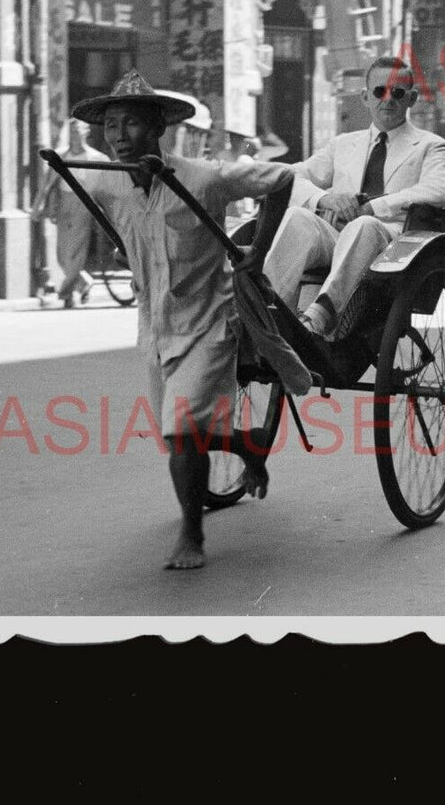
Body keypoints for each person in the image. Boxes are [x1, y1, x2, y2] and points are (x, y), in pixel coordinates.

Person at [71, 70, 297, 570]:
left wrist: (255, 253)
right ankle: (247, 442)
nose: (119, 137)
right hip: (154, 328)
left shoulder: (204, 176)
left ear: (158, 130)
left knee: (181, 435)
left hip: (209, 321)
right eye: (111, 126)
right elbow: (94, 202)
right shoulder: (105, 181)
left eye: (131, 124)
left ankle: (191, 535)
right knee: (175, 432)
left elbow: (281, 179)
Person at [264, 56, 445, 339]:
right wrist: (323, 199)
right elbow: (290, 177)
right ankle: (265, 309)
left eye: (398, 93)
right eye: (380, 92)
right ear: (366, 97)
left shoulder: (430, 145)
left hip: (391, 243)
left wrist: (373, 207)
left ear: (411, 98)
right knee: (297, 217)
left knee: (363, 225)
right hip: (337, 235)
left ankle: (321, 315)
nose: (388, 100)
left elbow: (439, 188)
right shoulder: (343, 144)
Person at [35, 119, 107, 307]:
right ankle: (83, 282)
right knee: (62, 254)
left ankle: (66, 293)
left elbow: (106, 187)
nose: (75, 135)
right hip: (63, 205)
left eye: (78, 131)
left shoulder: (97, 158)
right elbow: (46, 185)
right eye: (72, 131)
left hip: (84, 205)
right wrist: (37, 207)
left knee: (76, 251)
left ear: (87, 132)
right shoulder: (60, 156)